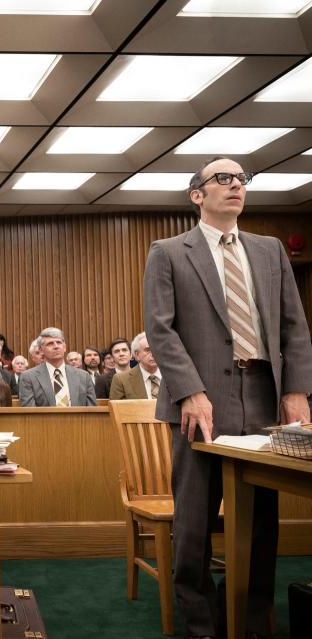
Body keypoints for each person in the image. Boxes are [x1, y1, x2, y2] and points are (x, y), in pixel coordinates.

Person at [144, 156, 312, 639]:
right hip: (201, 399)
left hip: (263, 394)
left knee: (261, 523)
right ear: (197, 195)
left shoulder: (270, 249)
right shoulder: (170, 251)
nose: (235, 184)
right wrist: (189, 392)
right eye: (223, 178)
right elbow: (161, 329)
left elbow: (294, 327)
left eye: (241, 178)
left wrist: (298, 390)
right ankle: (199, 626)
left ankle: (252, 622)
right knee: (194, 523)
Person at [19, 328, 96, 407]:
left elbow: (92, 411)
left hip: (79, 419)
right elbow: (30, 413)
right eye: (50, 344)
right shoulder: (28, 377)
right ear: (41, 350)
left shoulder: (84, 376)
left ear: (64, 347)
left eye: (59, 342)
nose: (56, 346)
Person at [109, 332, 161, 400]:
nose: (153, 353)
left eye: (156, 349)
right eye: (148, 350)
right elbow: (118, 409)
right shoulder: (121, 380)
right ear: (137, 355)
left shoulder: (172, 376)